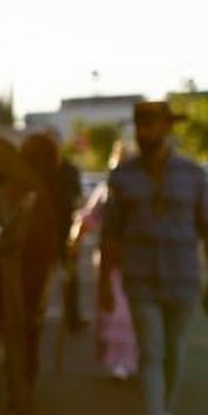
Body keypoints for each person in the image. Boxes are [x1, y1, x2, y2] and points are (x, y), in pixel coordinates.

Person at [100, 101, 208, 415]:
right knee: (151, 351)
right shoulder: (122, 177)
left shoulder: (193, 175)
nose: (145, 131)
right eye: (140, 124)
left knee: (174, 353)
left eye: (152, 124)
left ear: (168, 128)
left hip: (183, 276)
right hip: (140, 277)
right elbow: (111, 235)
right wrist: (105, 282)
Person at [70, 142, 137, 380]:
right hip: (111, 259)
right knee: (116, 310)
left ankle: (131, 361)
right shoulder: (105, 190)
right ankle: (119, 361)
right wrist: (75, 241)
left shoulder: (143, 190)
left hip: (138, 260)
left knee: (131, 312)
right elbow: (90, 217)